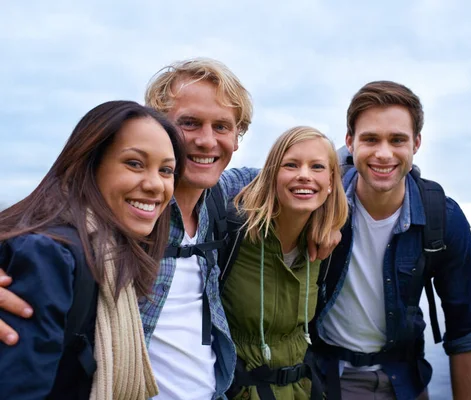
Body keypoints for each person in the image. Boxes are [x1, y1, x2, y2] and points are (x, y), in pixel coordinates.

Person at [0, 58, 340, 399]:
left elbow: (290, 180)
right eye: (189, 123)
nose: (207, 142)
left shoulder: (221, 196)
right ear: (157, 128)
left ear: (238, 138)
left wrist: (331, 216)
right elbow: (37, 229)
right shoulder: (122, 208)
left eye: (222, 127)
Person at [0, 100, 186, 399]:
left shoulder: (111, 253)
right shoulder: (49, 255)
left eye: (166, 170)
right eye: (135, 163)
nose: (155, 184)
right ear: (89, 164)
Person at [312, 81, 471, 400]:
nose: (384, 153)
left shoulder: (442, 218)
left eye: (398, 140)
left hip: (404, 382)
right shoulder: (318, 198)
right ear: (350, 142)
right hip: (325, 380)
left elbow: (464, 333)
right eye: (371, 139)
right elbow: (265, 185)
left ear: (416, 143)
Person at [220, 126, 348, 399]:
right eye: (291, 165)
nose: (304, 175)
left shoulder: (328, 243)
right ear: (272, 175)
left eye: (317, 167)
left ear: (330, 181)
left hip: (302, 389)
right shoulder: (233, 231)